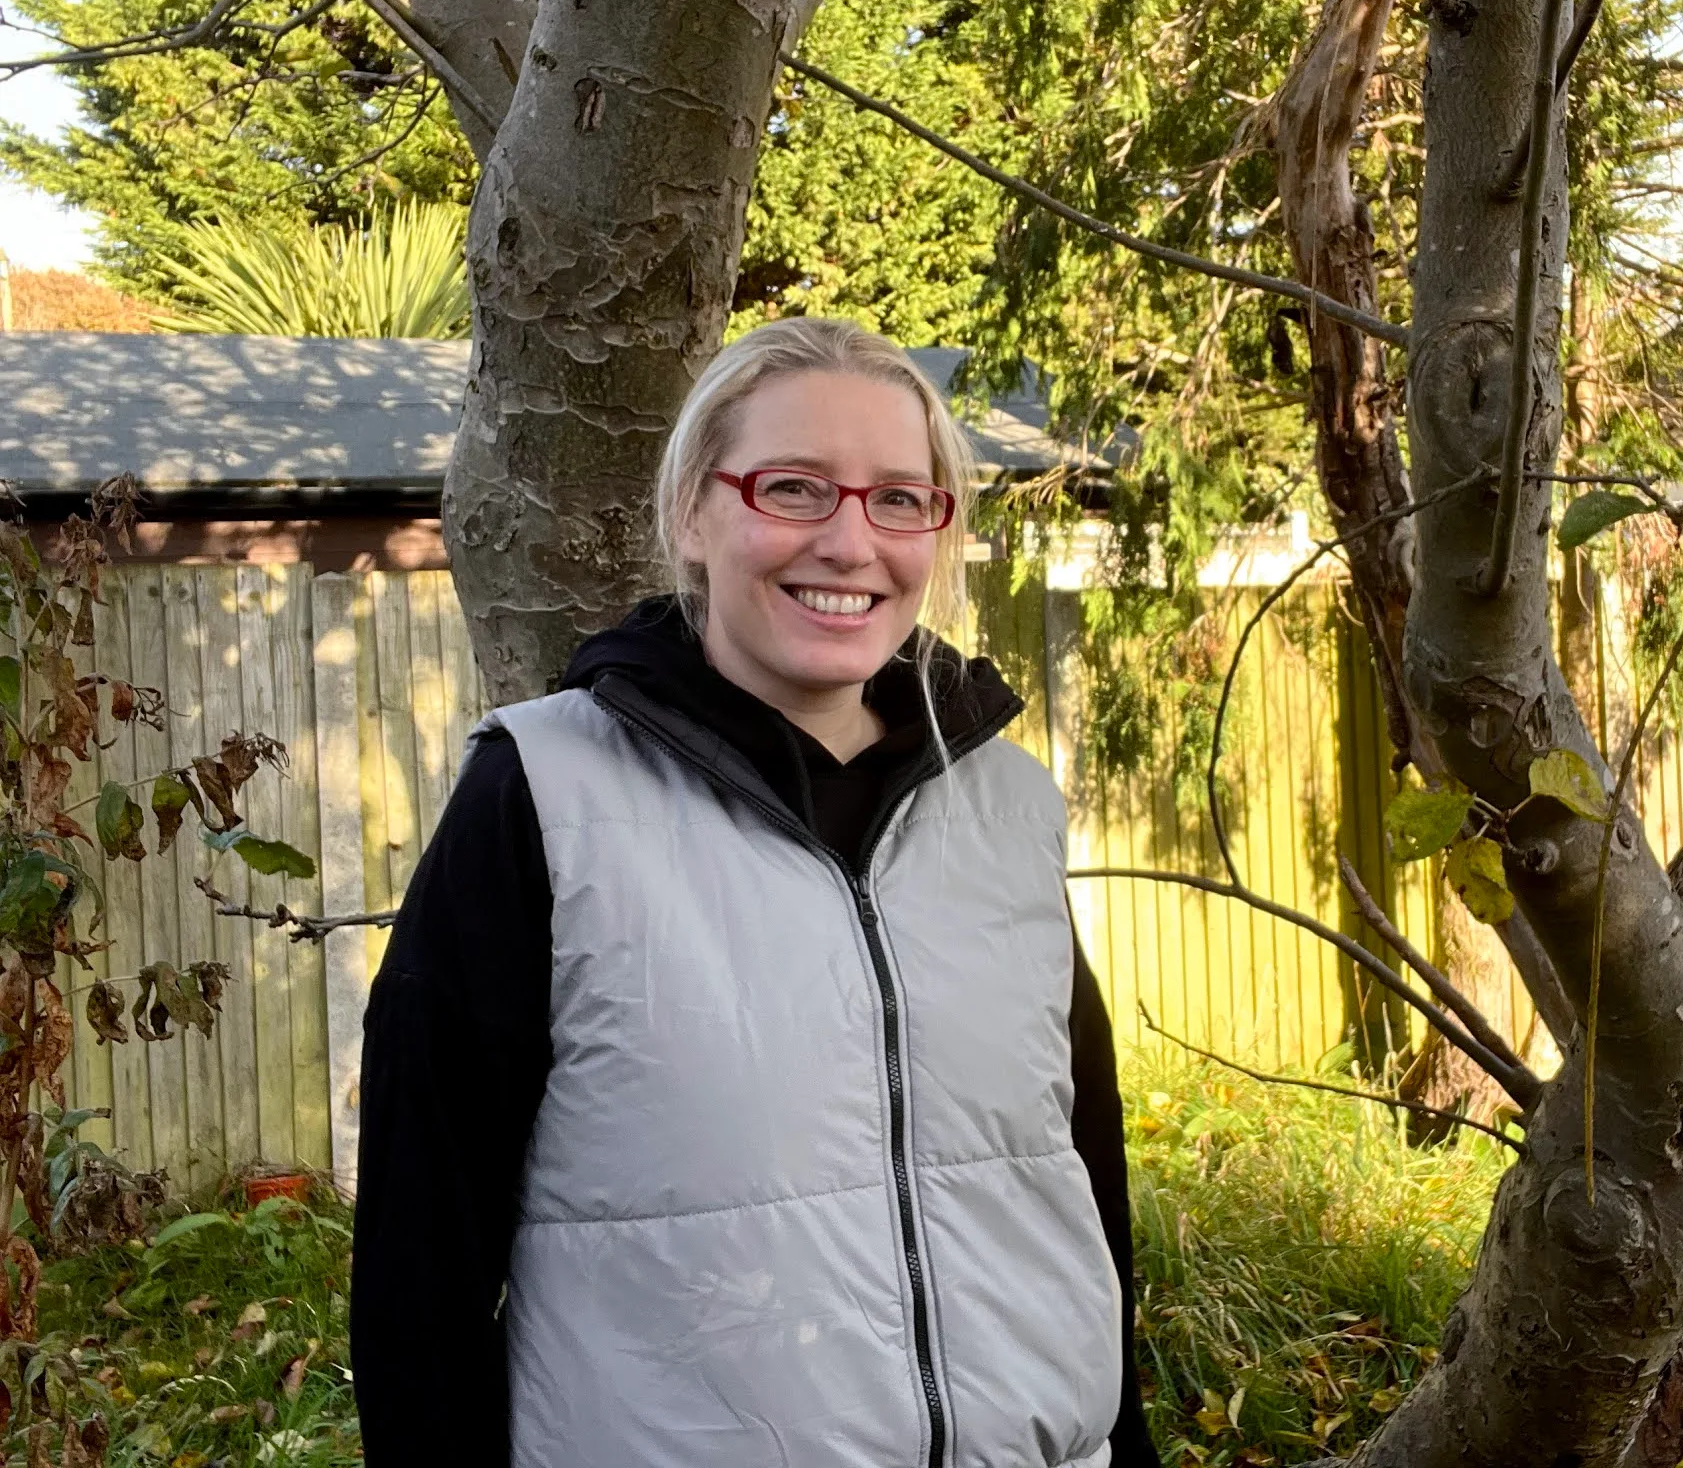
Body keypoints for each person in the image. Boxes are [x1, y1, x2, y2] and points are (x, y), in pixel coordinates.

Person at [350, 316, 1159, 1468]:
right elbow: (419, 1258)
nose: (849, 541)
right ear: (693, 513)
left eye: (897, 499)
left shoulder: (1006, 805)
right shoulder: (541, 795)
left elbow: (1075, 1173)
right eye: (793, 488)